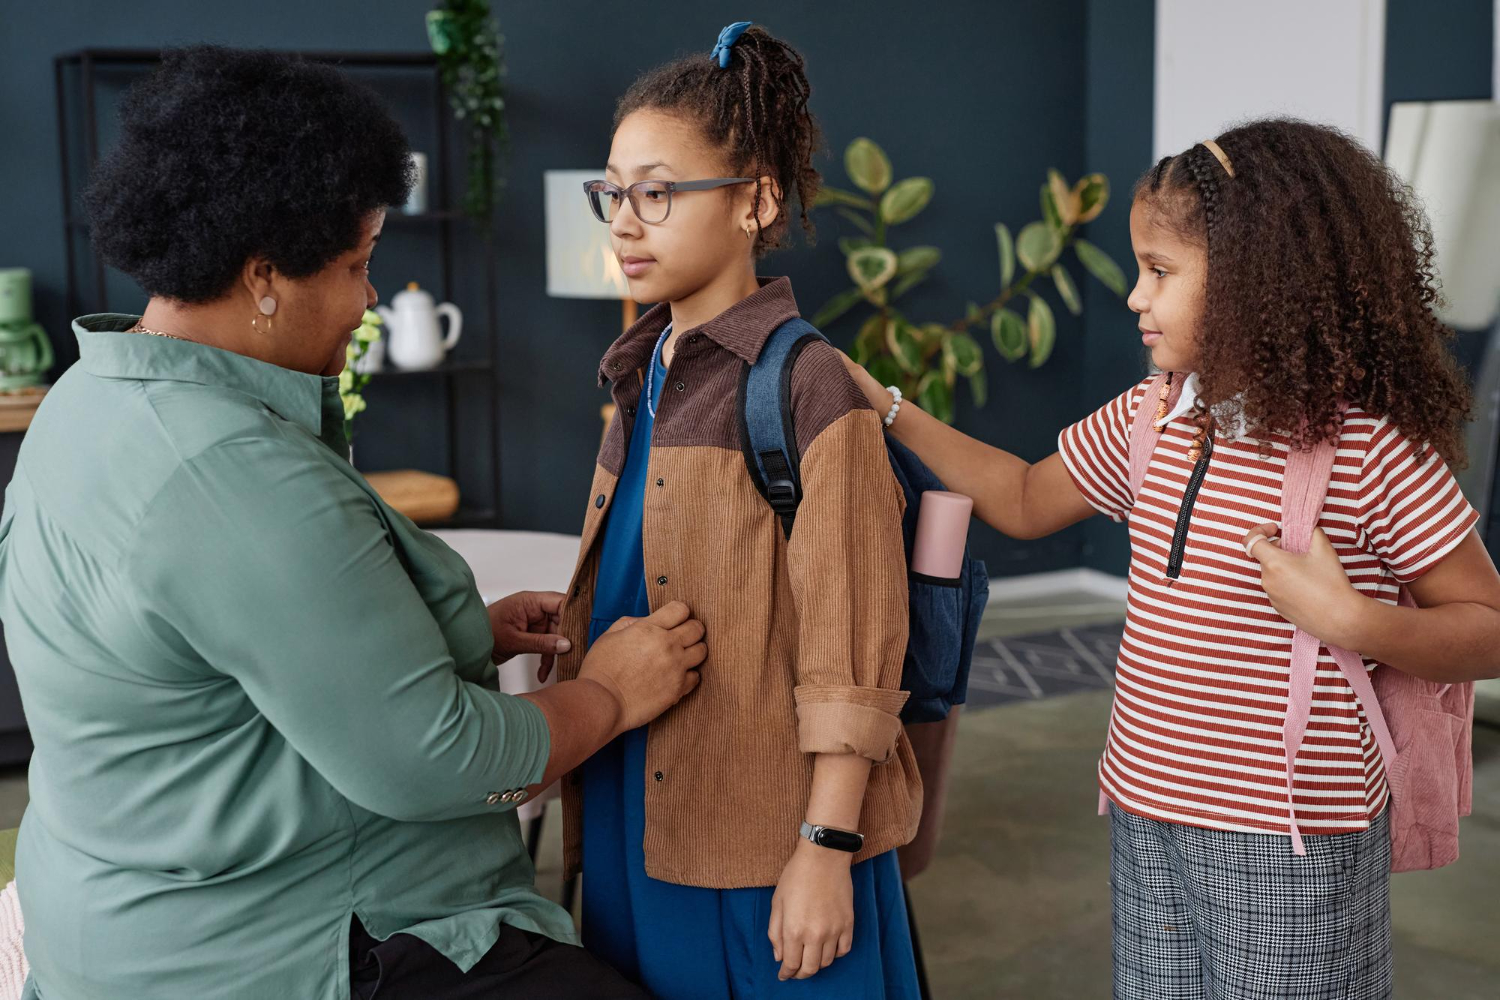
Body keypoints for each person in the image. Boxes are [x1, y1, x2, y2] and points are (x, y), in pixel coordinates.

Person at [0, 45, 706, 1000]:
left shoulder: (95, 394)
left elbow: (228, 651)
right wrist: (612, 694)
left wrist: (452, 631)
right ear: (262, 277)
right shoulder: (227, 471)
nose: (369, 298)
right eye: (355, 265)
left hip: (116, 904)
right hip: (267, 949)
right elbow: (433, 764)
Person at [839, 119, 1500, 999]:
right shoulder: (1156, 415)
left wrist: (1352, 621)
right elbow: (1029, 497)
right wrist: (886, 406)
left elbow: (1488, 626)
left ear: (1257, 283)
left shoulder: (1371, 449)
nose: (1135, 297)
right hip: (1146, 803)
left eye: (1160, 271)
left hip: (1290, 834)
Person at [545, 22, 923, 1000]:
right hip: (638, 809)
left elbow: (854, 654)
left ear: (754, 201)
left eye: (658, 193)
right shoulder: (641, 374)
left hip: (766, 839)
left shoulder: (804, 386)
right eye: (613, 193)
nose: (624, 222)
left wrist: (825, 849)